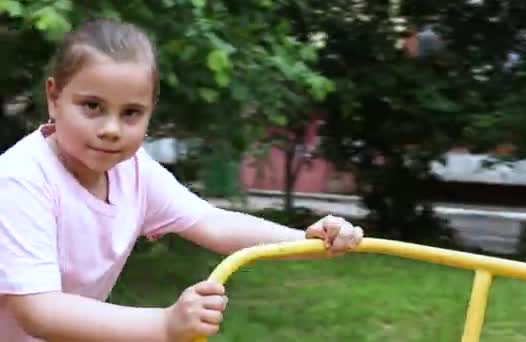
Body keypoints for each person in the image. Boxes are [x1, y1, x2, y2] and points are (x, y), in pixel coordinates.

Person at [0, 18, 364, 342]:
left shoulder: (134, 172)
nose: (110, 129)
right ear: (54, 97)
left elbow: (211, 222)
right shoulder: (21, 180)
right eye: (92, 106)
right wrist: (164, 325)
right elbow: (39, 311)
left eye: (131, 113)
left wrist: (308, 239)